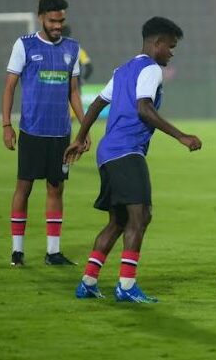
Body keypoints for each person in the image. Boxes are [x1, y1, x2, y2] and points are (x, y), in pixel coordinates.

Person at [65, 17, 202, 303]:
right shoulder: (151, 69)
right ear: (157, 43)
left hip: (108, 152)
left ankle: (88, 282)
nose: (171, 53)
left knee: (119, 220)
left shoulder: (123, 69)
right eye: (170, 47)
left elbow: (98, 103)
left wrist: (80, 137)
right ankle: (126, 286)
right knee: (141, 216)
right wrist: (181, 136)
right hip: (126, 151)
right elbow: (144, 108)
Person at [2, 0, 88, 267]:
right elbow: (10, 87)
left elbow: (73, 92)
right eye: (52, 21)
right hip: (32, 131)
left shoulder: (72, 48)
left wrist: (83, 129)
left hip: (60, 134)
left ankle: (53, 252)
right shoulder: (24, 45)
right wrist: (7, 125)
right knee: (24, 187)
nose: (57, 26)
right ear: (41, 18)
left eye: (61, 21)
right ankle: (17, 251)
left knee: (56, 188)